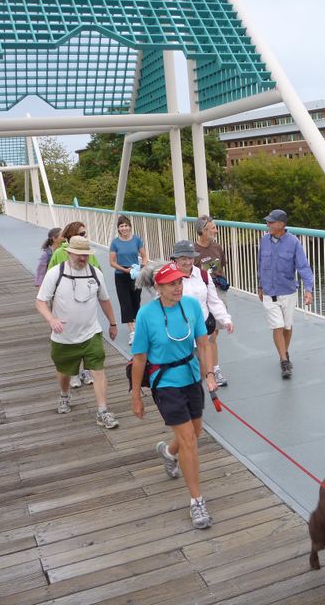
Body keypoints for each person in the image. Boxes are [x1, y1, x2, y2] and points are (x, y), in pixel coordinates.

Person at [130, 262, 218, 529]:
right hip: (164, 381)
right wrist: (136, 395)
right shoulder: (146, 315)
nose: (178, 287)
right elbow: (139, 358)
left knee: (196, 431)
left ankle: (168, 452)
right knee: (189, 440)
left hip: (191, 376)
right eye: (171, 284)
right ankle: (197, 502)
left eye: (179, 282)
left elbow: (203, 344)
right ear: (158, 287)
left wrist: (210, 374)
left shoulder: (191, 306)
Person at [35, 236, 120, 428]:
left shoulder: (95, 273)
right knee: (64, 373)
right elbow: (40, 302)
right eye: (79, 255)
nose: (83, 258)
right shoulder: (55, 274)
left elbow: (104, 300)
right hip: (64, 337)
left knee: (98, 371)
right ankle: (65, 395)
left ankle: (102, 411)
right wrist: (51, 319)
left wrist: (112, 324)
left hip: (91, 333)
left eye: (86, 255)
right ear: (69, 253)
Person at [257, 209, 314, 379]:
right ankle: (283, 360)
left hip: (288, 291)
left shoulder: (294, 243)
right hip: (269, 291)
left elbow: (303, 267)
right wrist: (260, 286)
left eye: (271, 222)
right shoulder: (264, 241)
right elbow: (260, 264)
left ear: (281, 225)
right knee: (278, 326)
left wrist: (308, 289)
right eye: (267, 222)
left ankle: (284, 352)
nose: (267, 225)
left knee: (287, 326)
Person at [172, 239, 234, 386]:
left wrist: (226, 319)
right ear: (175, 259)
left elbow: (213, 301)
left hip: (202, 330)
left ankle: (197, 392)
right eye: (183, 258)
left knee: (200, 371)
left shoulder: (203, 275)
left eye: (190, 258)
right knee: (183, 372)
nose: (188, 262)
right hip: (180, 332)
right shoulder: (169, 277)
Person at [48, 221, 102, 388]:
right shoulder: (59, 253)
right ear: (71, 236)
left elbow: (98, 273)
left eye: (84, 234)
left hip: (85, 301)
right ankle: (74, 373)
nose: (84, 236)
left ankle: (86, 371)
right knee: (70, 341)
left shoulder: (89, 254)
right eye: (81, 234)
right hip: (65, 304)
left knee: (88, 337)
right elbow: (50, 276)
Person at [194, 215, 231, 385]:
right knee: (204, 335)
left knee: (214, 334)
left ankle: (215, 369)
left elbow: (222, 265)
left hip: (218, 291)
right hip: (200, 293)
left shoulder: (217, 247)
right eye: (213, 227)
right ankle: (205, 368)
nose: (216, 230)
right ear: (203, 230)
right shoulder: (193, 251)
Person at [109, 215, 148, 346]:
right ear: (118, 228)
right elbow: (112, 262)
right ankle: (132, 332)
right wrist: (126, 270)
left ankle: (137, 327)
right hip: (121, 274)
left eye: (126, 225)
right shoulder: (115, 242)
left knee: (136, 300)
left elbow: (144, 256)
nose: (124, 228)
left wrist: (142, 268)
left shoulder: (137, 239)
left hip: (136, 273)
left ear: (130, 226)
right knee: (125, 303)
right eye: (121, 226)